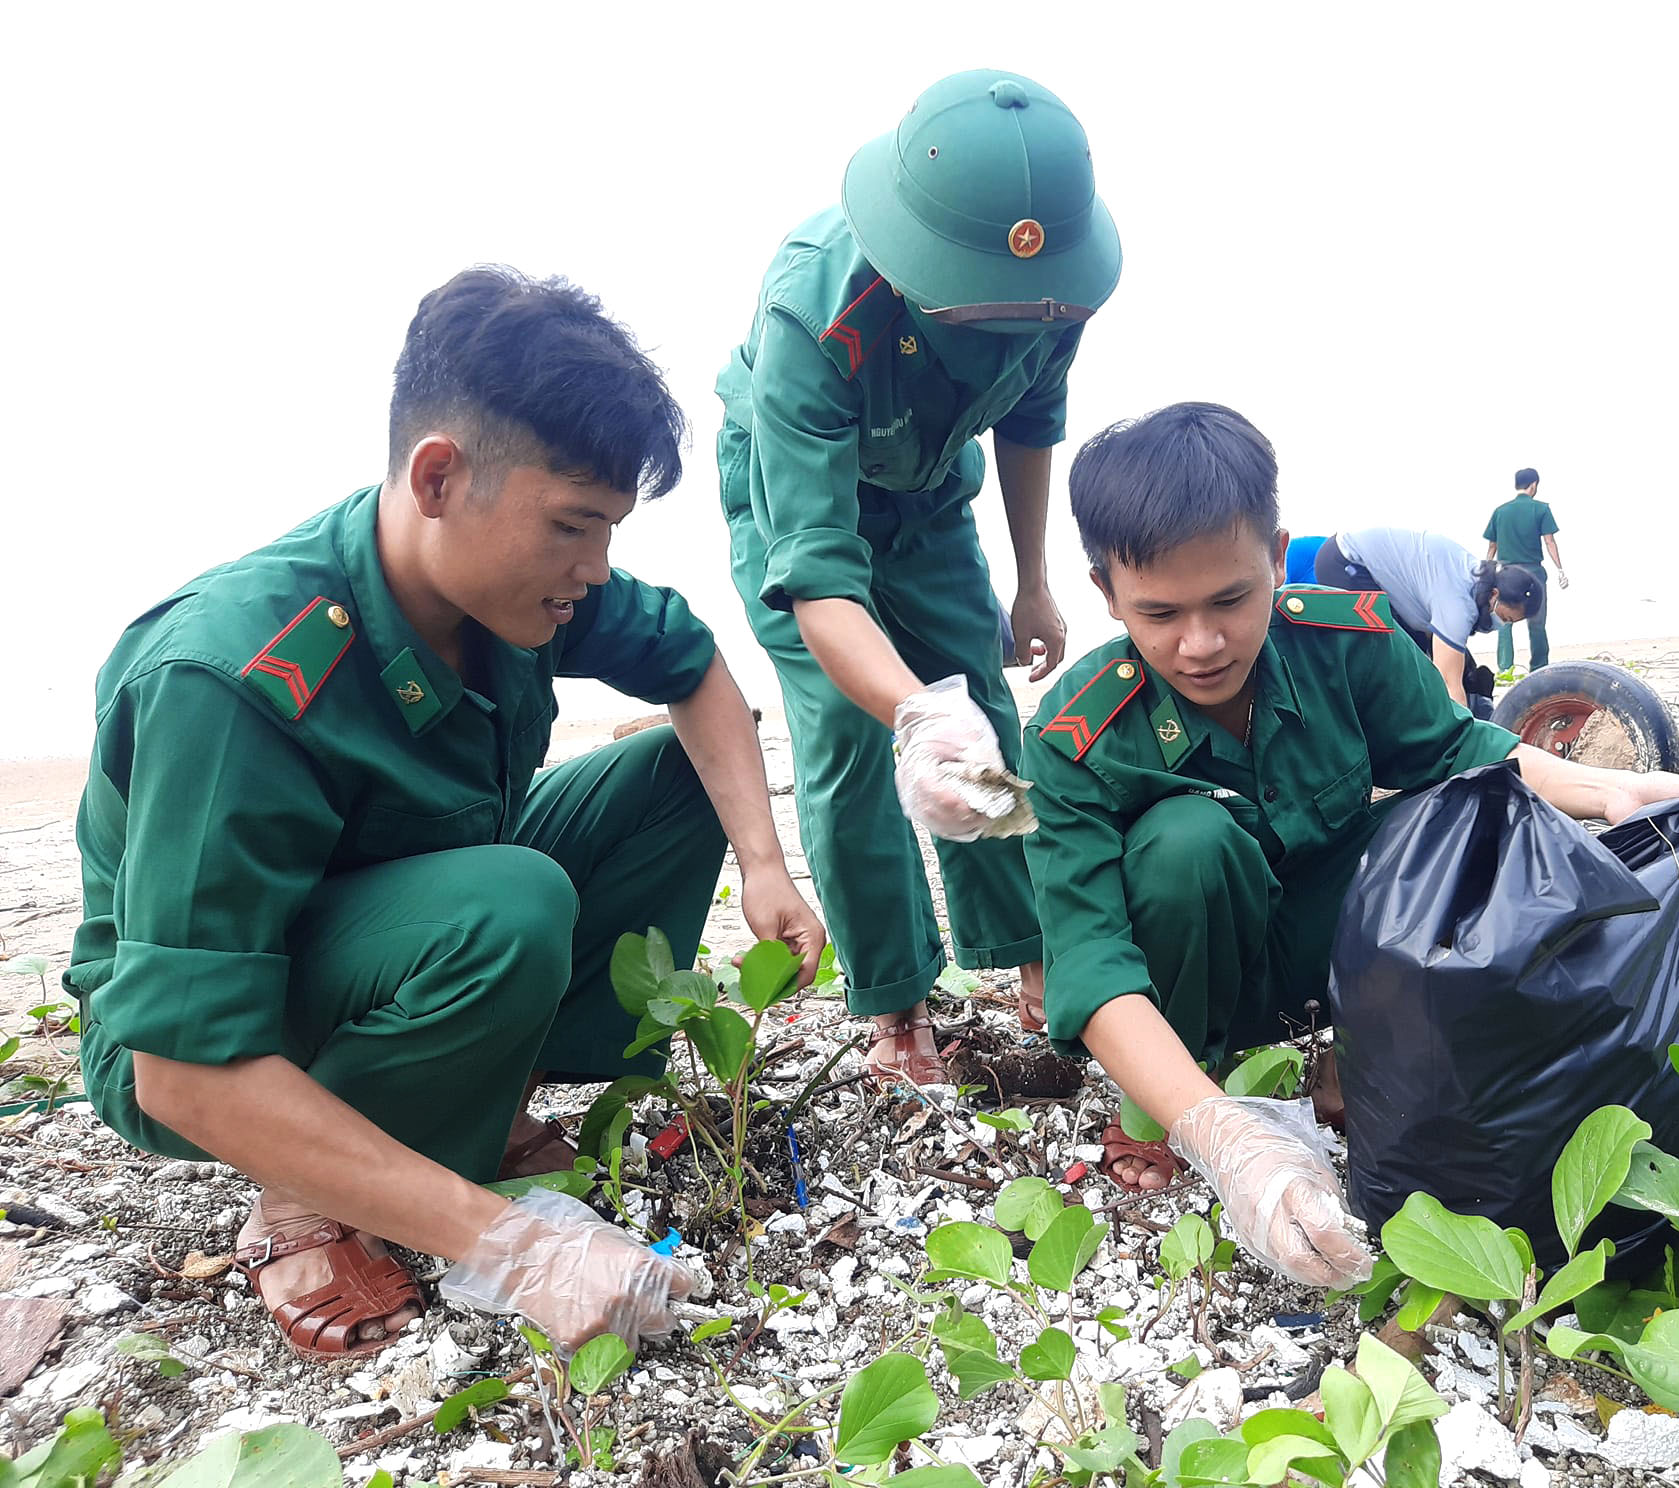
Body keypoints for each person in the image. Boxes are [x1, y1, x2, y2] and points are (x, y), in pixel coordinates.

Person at [64, 268, 826, 1361]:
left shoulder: (519, 586)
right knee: (511, 901)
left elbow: (695, 666)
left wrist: (762, 862)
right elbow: (176, 1068)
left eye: (608, 528)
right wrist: (518, 1251)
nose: (595, 569)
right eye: (573, 526)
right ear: (437, 477)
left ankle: (481, 1091)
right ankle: (297, 1200)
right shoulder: (231, 677)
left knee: (666, 781)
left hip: (415, 926)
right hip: (192, 1028)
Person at [1018, 402, 1679, 1286]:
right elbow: (1091, 962)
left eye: (1232, 599)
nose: (1201, 644)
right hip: (1191, 984)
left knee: (1446, 821)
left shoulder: (1346, 641)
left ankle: (1356, 1066)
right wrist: (1223, 1140)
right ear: (1106, 594)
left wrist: (1609, 789)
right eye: (1160, 614)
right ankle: (1166, 1106)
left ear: (1277, 557)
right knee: (1187, 844)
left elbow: (1467, 756)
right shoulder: (1073, 739)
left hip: (1332, 956)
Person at [715, 69, 1120, 1086]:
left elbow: (1030, 425)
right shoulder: (812, 312)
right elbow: (816, 581)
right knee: (856, 740)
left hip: (932, 491)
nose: (1005, 332)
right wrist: (910, 712)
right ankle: (893, 1003)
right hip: (798, 496)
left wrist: (1031, 581)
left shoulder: (1053, 289)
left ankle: (1028, 953)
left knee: (980, 708)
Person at [1311, 527, 1543, 713]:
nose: (1499, 625)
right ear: (1494, 595)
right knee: (1390, 660)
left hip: (1376, 574)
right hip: (1345, 561)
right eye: (1504, 617)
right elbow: (1449, 684)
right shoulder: (1459, 605)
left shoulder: (1474, 576)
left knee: (1427, 659)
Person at [1482, 467, 1566, 673]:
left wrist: (1486, 571)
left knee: (1503, 620)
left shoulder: (1500, 511)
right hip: (1533, 574)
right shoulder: (1541, 509)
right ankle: (1538, 668)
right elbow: (1549, 541)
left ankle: (1505, 668)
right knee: (1537, 622)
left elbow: (1492, 546)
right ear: (1534, 484)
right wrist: (1560, 569)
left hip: (1507, 573)